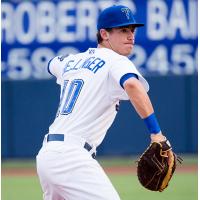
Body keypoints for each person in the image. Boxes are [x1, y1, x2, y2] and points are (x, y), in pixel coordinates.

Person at [36, 5, 167, 200]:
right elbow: (132, 85)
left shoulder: (71, 61)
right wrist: (157, 134)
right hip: (72, 157)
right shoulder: (116, 60)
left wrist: (74, 64)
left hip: (47, 155)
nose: (131, 36)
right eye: (123, 30)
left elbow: (51, 64)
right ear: (104, 33)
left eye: (132, 30)